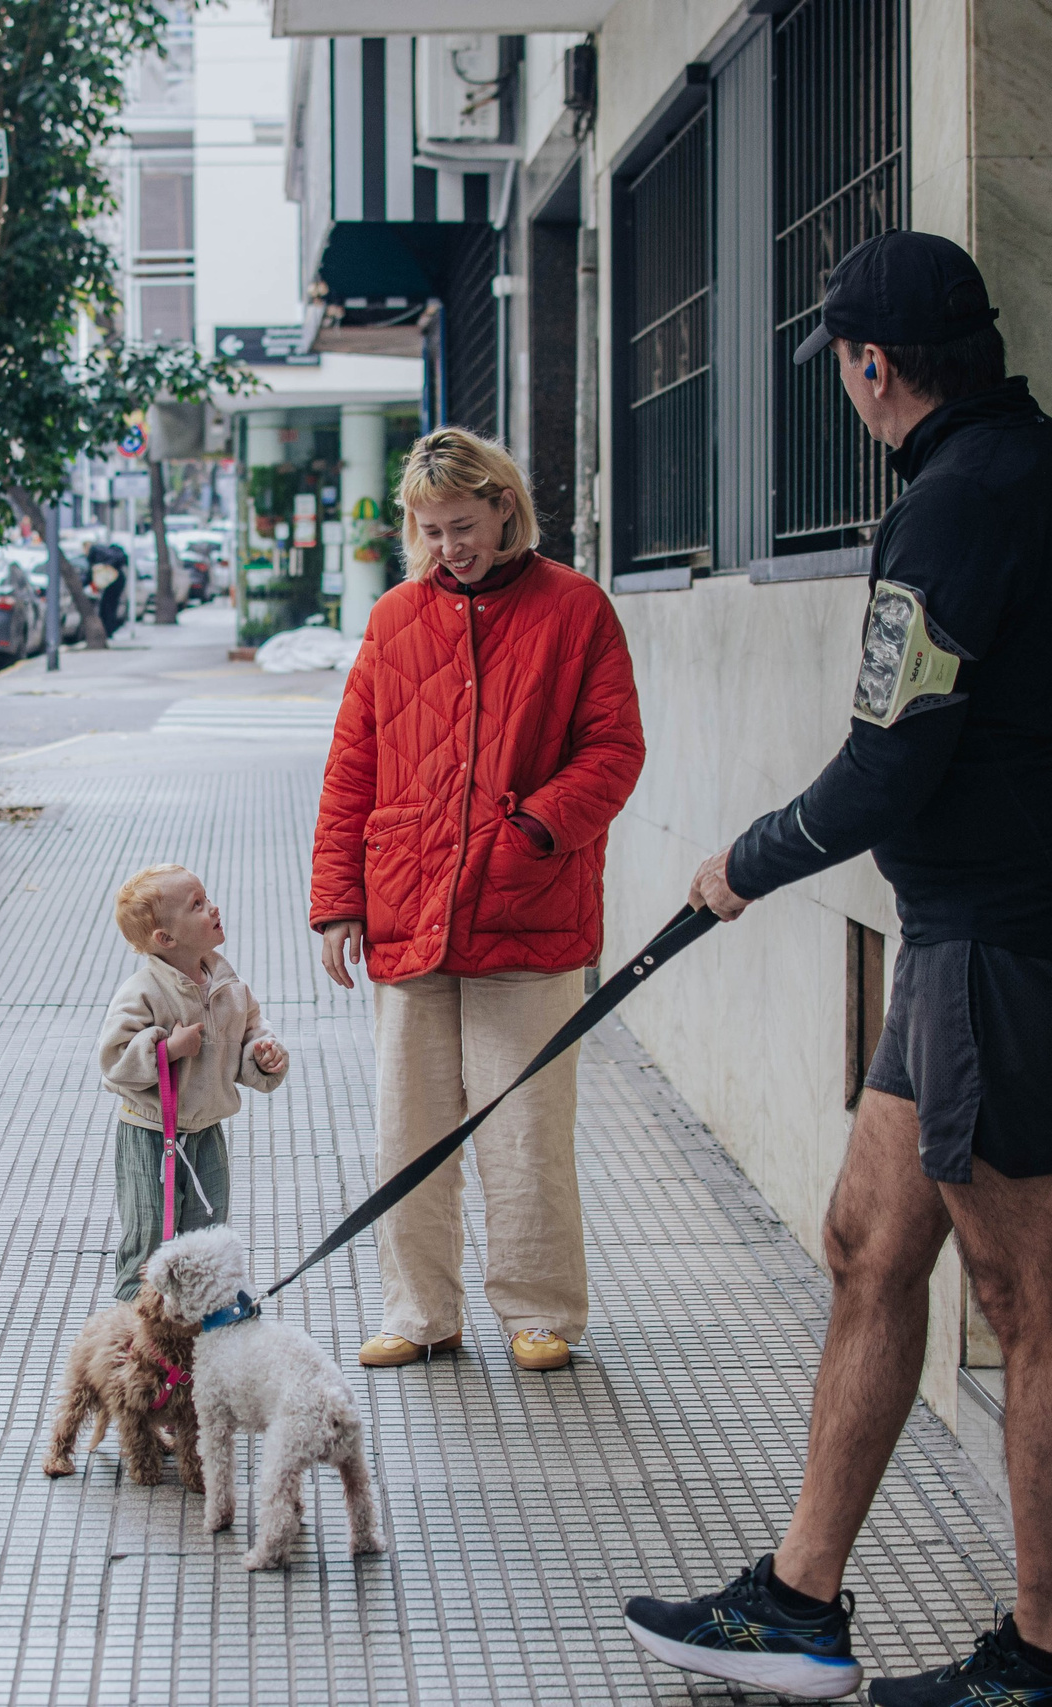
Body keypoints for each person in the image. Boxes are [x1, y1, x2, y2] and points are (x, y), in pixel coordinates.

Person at [623, 231, 1052, 1707]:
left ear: (874, 368)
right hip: (991, 931)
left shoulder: (946, 510)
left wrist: (744, 860)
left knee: (1029, 1297)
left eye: (846, 372)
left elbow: (888, 763)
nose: (849, 392)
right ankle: (801, 1599)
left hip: (995, 947)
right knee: (870, 1240)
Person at [311, 427, 645, 1375]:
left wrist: (534, 831)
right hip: (408, 905)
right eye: (429, 529)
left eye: (462, 524)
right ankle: (420, 1310)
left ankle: (539, 1309)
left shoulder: (575, 609)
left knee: (525, 1130)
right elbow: (353, 766)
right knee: (406, 1129)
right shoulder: (394, 619)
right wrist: (338, 900)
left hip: (527, 908)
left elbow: (614, 750)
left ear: (504, 506)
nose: (448, 545)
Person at [96, 865, 289, 1299]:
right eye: (197, 905)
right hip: (149, 1134)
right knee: (149, 1234)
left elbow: (252, 1030)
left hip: (205, 1132)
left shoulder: (228, 984)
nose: (213, 907)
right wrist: (166, 1050)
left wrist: (264, 1054)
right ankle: (134, 1333)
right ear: (166, 938)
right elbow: (114, 1059)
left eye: (207, 897)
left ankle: (201, 1330)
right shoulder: (142, 991)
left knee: (208, 1230)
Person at [88, 538, 129, 635]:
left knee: (107, 607)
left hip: (111, 584)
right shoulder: (108, 557)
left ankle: (108, 629)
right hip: (116, 582)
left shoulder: (97, 556)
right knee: (110, 607)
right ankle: (109, 629)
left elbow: (90, 574)